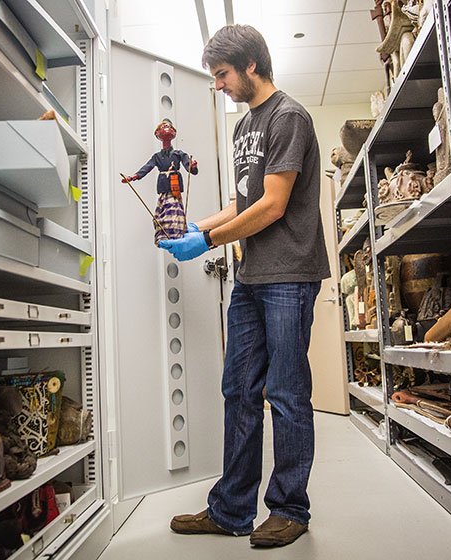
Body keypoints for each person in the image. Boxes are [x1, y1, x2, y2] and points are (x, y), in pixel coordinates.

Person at [159, 24, 330, 548]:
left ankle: (289, 509)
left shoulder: (289, 117)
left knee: (286, 393)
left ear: (251, 65)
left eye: (222, 74)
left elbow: (275, 205)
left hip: (289, 277)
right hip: (251, 278)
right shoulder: (244, 129)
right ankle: (231, 510)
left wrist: (207, 242)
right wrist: (198, 226)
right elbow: (244, 202)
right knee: (239, 391)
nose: (218, 85)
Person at [121, 119, 198, 245]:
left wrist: (192, 166)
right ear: (158, 134)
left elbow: (188, 166)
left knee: (173, 209)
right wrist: (133, 177)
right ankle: (165, 235)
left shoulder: (179, 154)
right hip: (163, 188)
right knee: (162, 212)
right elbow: (147, 167)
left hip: (174, 189)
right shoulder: (157, 157)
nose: (166, 127)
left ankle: (176, 235)